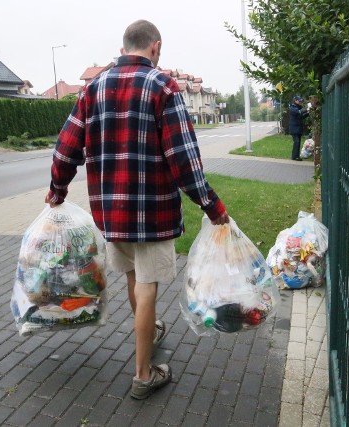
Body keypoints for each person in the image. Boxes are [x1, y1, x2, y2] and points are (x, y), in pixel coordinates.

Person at [45, 19, 230, 400]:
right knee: (147, 288)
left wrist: (57, 189)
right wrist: (211, 205)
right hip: (153, 211)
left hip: (111, 213)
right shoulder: (162, 86)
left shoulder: (92, 87)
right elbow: (182, 157)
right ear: (155, 47)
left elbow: (65, 148)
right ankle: (144, 374)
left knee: (133, 278)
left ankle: (150, 330)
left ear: (124, 45)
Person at [288, 95, 309, 161]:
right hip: (294, 128)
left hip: (298, 128)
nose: (300, 102)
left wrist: (308, 113)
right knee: (296, 142)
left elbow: (301, 117)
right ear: (295, 101)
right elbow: (298, 112)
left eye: (300, 101)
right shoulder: (292, 108)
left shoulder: (298, 107)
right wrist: (306, 110)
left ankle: (297, 156)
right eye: (299, 100)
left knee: (298, 142)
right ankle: (294, 156)